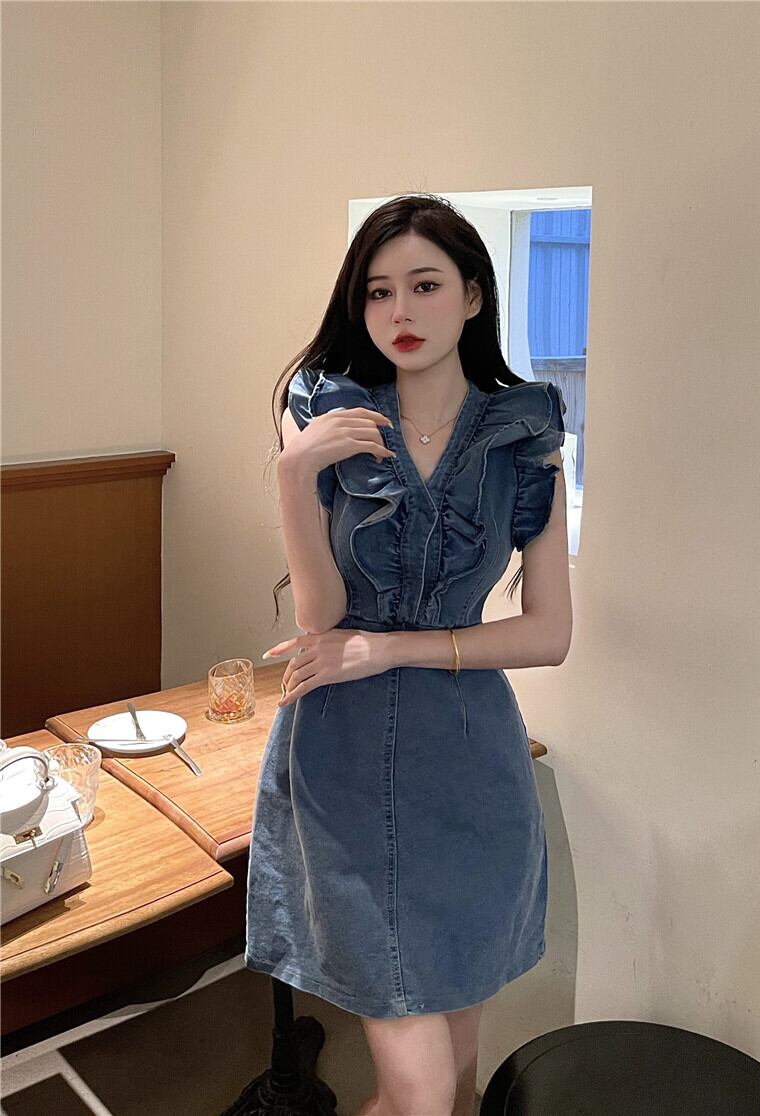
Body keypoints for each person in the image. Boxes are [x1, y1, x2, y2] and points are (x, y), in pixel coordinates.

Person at [244, 194, 572, 1116]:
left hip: (471, 763)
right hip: (343, 761)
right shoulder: (324, 415)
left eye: (425, 285)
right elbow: (321, 615)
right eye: (378, 292)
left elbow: (548, 634)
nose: (400, 311)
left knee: (452, 1077)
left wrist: (387, 650)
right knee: (424, 1092)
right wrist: (293, 474)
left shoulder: (525, 436)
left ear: (473, 295)